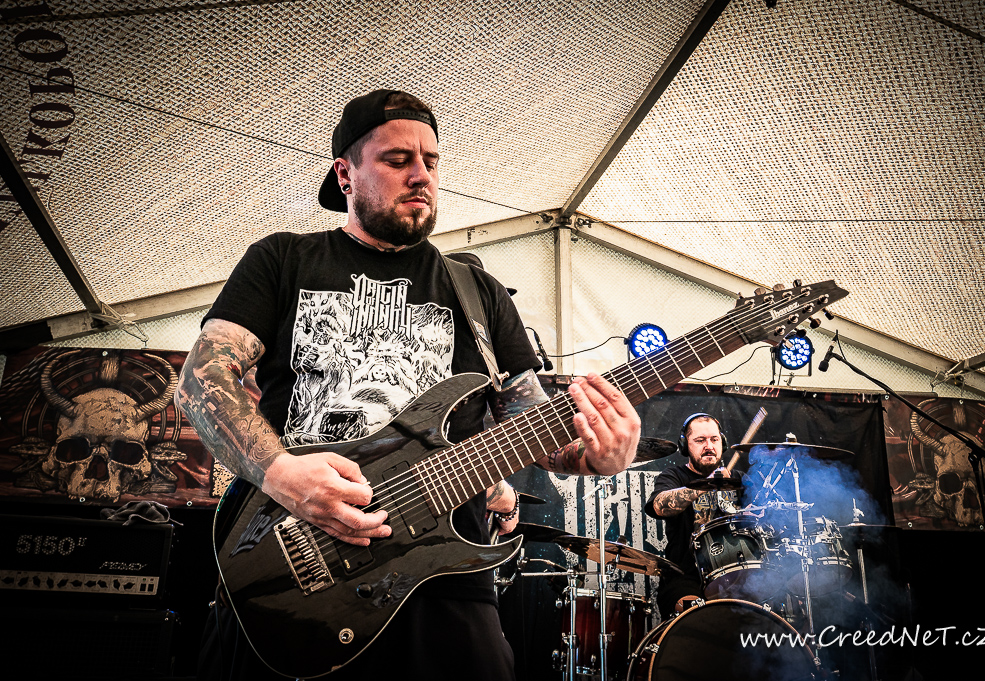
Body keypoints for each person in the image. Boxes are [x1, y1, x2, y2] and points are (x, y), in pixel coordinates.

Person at [175, 88, 641, 681]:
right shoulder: (283, 260)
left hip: (444, 577)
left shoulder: (478, 292)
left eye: (431, 161)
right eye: (397, 160)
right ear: (345, 175)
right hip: (290, 563)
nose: (421, 175)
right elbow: (203, 379)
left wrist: (596, 456)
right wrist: (281, 474)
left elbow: (535, 429)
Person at [643, 412, 741, 619]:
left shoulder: (738, 479)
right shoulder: (674, 476)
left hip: (736, 574)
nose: (709, 446)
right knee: (694, 618)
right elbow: (659, 506)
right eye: (700, 440)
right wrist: (706, 485)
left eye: (714, 439)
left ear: (722, 443)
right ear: (685, 446)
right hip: (685, 576)